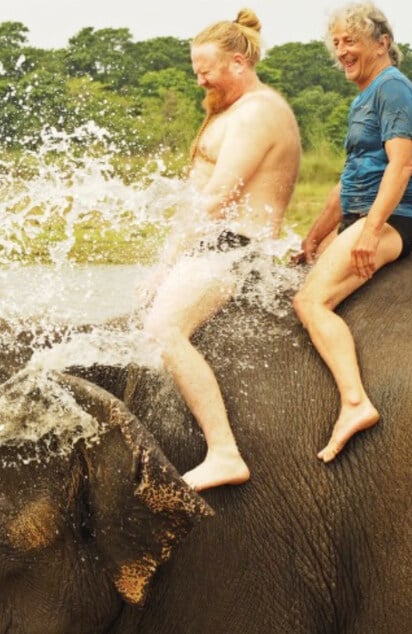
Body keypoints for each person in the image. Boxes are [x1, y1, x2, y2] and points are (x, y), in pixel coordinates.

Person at [142, 8, 301, 491]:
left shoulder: (259, 112)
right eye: (196, 70)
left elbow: (216, 199)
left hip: (233, 248)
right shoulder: (235, 110)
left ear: (238, 62)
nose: (200, 80)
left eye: (206, 70)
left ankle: (224, 452)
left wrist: (167, 263)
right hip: (212, 247)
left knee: (165, 329)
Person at [292, 2, 412, 463]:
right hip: (361, 216)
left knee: (309, 302)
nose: (341, 51)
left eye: (351, 41)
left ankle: (354, 402)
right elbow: (348, 180)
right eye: (336, 43)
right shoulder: (364, 97)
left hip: (389, 219)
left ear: (382, 43)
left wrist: (370, 231)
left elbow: (401, 165)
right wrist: (313, 237)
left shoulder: (392, 89)